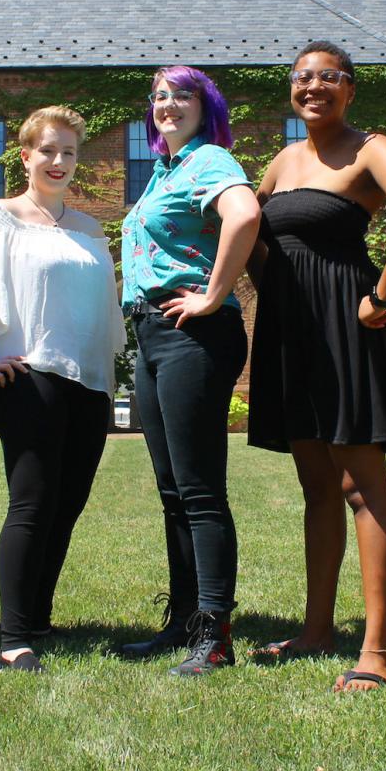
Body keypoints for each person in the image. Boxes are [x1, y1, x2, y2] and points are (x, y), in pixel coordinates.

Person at [248, 39, 386, 692]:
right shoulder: (284, 159)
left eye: (329, 77)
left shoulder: (371, 148)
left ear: (351, 89)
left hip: (348, 325)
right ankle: (316, 630)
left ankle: (378, 651)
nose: (313, 87)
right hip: (291, 331)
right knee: (317, 487)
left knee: (361, 485)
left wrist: (383, 295)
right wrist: (262, 285)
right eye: (302, 77)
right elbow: (250, 226)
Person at [0, 107, 126, 673]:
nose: (59, 161)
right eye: (48, 150)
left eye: (69, 152)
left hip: (90, 380)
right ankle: (13, 638)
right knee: (32, 502)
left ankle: (38, 614)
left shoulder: (90, 229)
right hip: (29, 374)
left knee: (68, 505)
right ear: (25, 156)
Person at [118, 66, 260, 677]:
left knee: (200, 491)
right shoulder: (165, 171)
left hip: (193, 332)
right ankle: (182, 622)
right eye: (158, 97)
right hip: (152, 334)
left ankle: (215, 635)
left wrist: (213, 293)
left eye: (180, 95)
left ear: (206, 106)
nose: (166, 104)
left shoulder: (211, 162)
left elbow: (245, 216)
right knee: (173, 490)